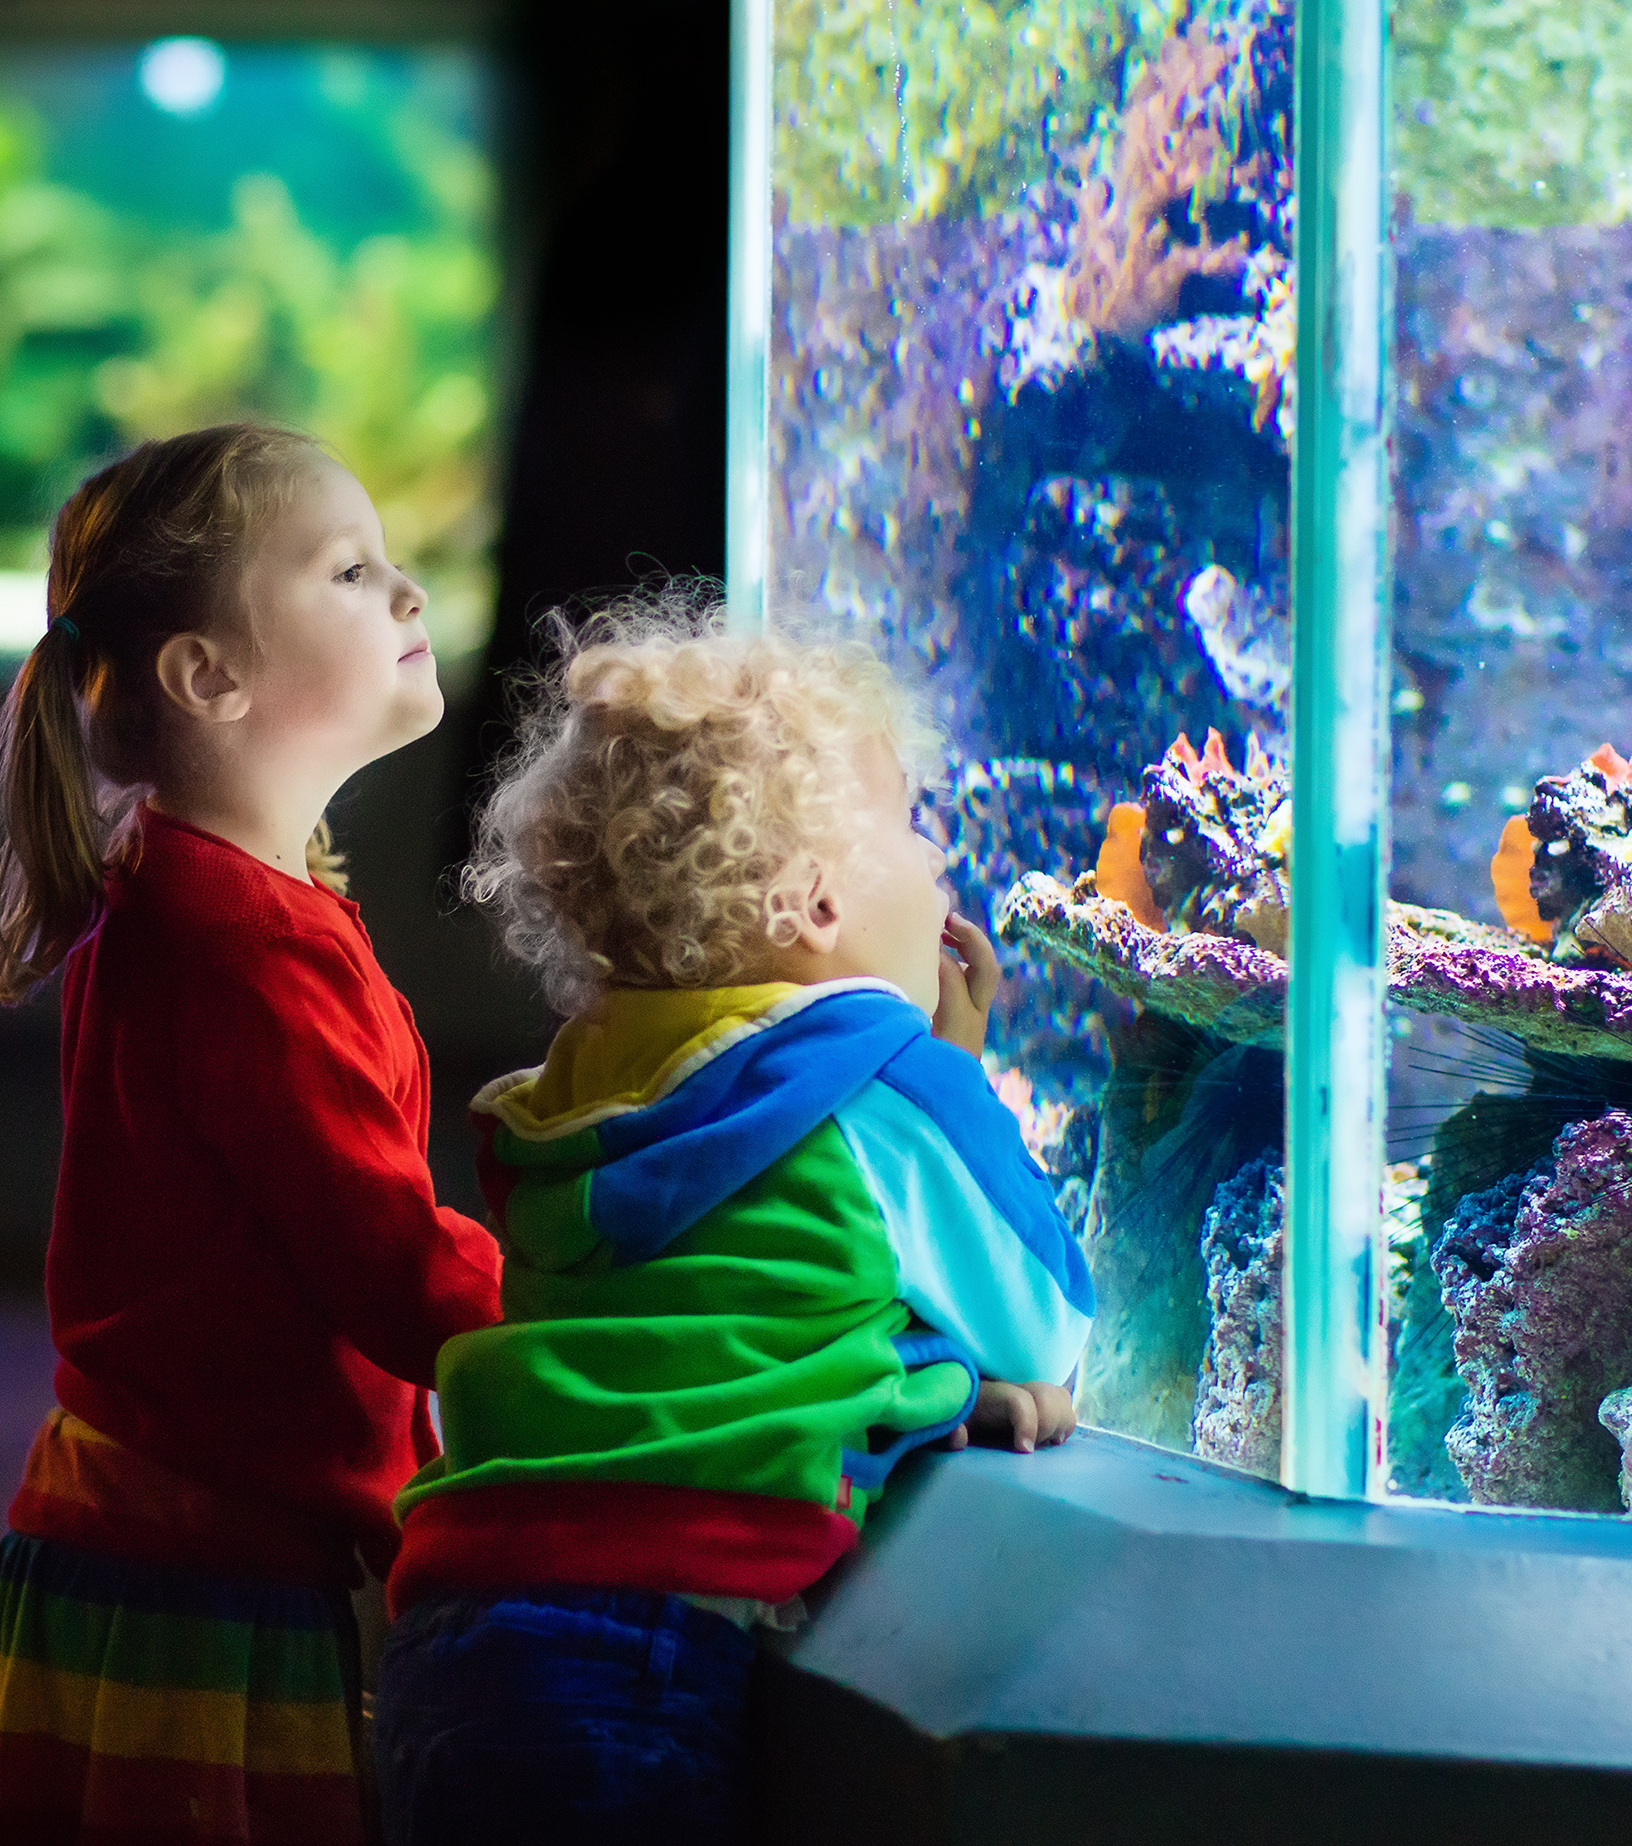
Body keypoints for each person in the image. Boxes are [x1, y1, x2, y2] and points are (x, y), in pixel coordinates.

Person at [374, 594, 1093, 1846]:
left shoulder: (576, 1086)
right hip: (646, 1643)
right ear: (817, 906)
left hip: (456, 1610)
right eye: (909, 825)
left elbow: (726, 1301)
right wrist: (958, 1076)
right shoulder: (883, 1075)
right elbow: (1046, 1327)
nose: (936, 858)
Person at [0, 425, 505, 1846]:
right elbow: (389, 1265)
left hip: (142, 1541)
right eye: (349, 569)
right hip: (197, 1581)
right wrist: (591, 1307)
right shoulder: (244, 943)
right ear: (209, 675)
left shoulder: (191, 893)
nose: (410, 595)